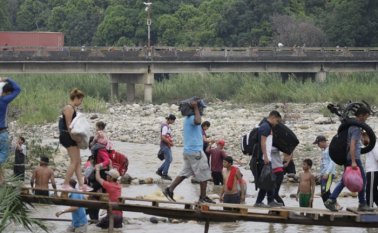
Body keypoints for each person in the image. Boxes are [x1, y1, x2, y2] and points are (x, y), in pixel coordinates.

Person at [163, 99, 215, 203]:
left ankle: (169, 190)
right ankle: (203, 197)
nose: (201, 110)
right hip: (195, 152)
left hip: (189, 151)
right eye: (200, 108)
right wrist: (195, 107)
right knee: (204, 173)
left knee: (185, 173)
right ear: (193, 109)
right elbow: (198, 121)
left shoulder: (187, 118)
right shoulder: (192, 118)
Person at [325, 106, 374, 212]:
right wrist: (353, 161)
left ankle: (331, 199)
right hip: (354, 158)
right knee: (363, 180)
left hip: (347, 157)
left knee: (344, 181)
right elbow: (352, 145)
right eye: (366, 116)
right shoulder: (356, 128)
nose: (366, 119)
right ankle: (362, 203)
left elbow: (360, 142)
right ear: (361, 116)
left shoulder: (351, 126)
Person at [59, 88, 91, 191]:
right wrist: (75, 138)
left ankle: (81, 185)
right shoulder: (69, 108)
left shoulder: (73, 108)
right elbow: (69, 126)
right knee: (74, 161)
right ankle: (65, 184)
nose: (81, 102)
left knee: (78, 161)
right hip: (68, 136)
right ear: (76, 98)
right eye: (80, 100)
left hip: (71, 136)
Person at [254, 110, 283, 208]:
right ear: (273, 117)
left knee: (268, 180)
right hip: (264, 158)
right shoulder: (265, 127)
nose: (277, 123)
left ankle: (269, 201)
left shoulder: (266, 126)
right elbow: (263, 142)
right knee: (267, 180)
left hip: (267, 157)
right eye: (277, 121)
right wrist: (265, 156)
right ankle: (262, 201)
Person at [0, 77, 21, 184]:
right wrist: (7, 79)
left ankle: (1, 180)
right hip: (2, 133)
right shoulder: (3, 101)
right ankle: (1, 181)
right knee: (3, 155)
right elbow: (18, 89)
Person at [313, 136, 337, 205]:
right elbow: (323, 164)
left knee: (325, 191)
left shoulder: (330, 149)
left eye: (318, 143)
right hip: (324, 174)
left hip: (329, 174)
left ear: (323, 142)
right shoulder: (324, 151)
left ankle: (335, 205)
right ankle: (334, 205)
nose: (318, 145)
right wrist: (320, 174)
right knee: (325, 191)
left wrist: (326, 173)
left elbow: (332, 162)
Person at [156, 114, 176, 180]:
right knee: (169, 159)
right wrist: (169, 142)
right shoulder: (165, 127)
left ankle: (159, 171)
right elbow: (163, 137)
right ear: (170, 119)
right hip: (165, 145)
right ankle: (164, 174)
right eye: (173, 121)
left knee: (169, 159)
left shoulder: (166, 126)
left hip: (166, 145)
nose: (173, 122)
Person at [362, 132, 378, 207]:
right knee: (373, 191)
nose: (362, 140)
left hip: (373, 170)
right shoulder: (369, 146)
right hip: (370, 171)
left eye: (363, 137)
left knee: (370, 190)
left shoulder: (374, 145)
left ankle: (369, 206)